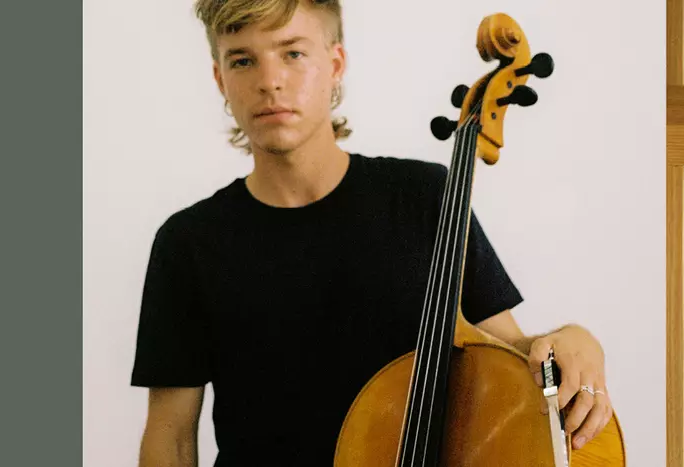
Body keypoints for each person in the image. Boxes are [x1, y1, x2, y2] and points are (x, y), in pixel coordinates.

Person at [130, 1, 614, 465]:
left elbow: (506, 356)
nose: (270, 81)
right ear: (220, 79)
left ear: (335, 63)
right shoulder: (188, 243)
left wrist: (574, 339)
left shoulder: (423, 197)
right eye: (242, 60)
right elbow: (169, 439)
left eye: (293, 53)